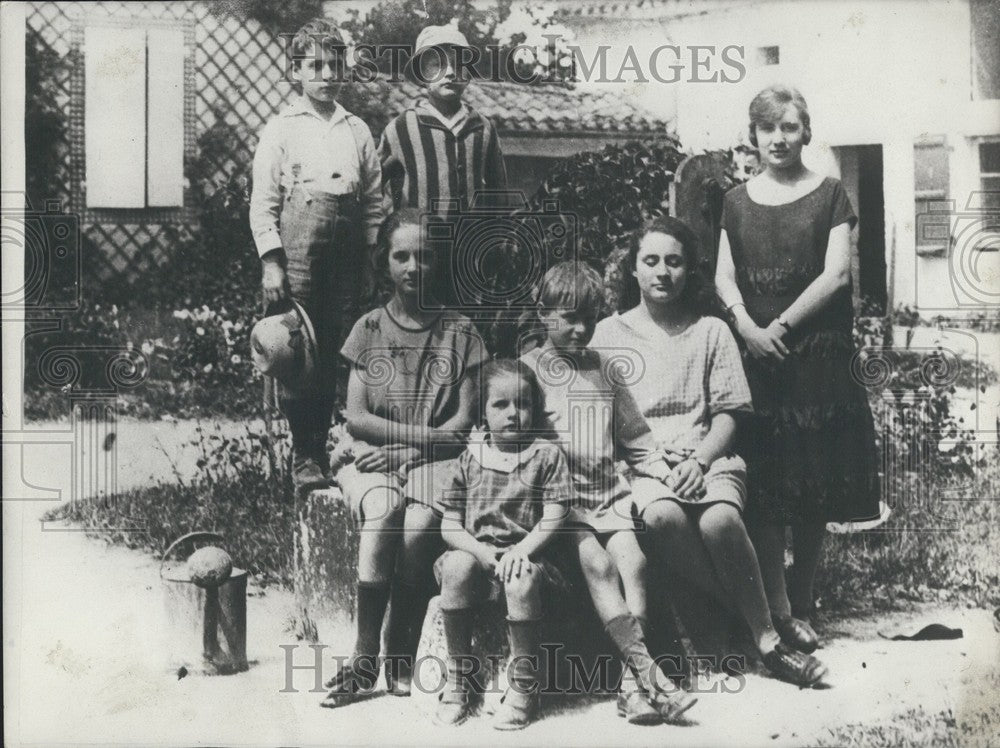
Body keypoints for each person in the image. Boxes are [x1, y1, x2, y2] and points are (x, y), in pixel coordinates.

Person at [590, 215, 828, 688]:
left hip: (709, 456)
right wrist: (651, 466)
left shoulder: (711, 331)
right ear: (633, 270)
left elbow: (730, 414)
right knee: (662, 518)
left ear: (689, 271)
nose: (663, 272)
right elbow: (603, 422)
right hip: (642, 465)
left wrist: (700, 461)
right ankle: (748, 611)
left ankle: (767, 642)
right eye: (651, 261)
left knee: (720, 520)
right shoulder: (607, 335)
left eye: (674, 263)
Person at [715, 85, 880, 650]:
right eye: (768, 129)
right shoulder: (735, 200)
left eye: (789, 128)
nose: (778, 139)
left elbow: (835, 276)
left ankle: (804, 600)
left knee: (812, 481)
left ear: (805, 132)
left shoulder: (831, 193)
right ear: (754, 137)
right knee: (765, 479)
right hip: (755, 356)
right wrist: (745, 328)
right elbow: (722, 275)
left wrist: (777, 330)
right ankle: (776, 607)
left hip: (815, 357)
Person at [320, 208, 487, 707]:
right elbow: (357, 417)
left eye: (427, 256)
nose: (416, 266)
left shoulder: (461, 331)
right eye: (403, 256)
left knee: (419, 528)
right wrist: (404, 444)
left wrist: (409, 447)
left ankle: (400, 645)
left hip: (435, 458)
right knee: (386, 510)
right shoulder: (369, 327)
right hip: (370, 454)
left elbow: (460, 427)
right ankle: (364, 656)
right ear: (384, 262)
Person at [520, 262, 698, 724]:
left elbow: (635, 438)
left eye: (589, 317)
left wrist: (664, 473)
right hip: (561, 503)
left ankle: (629, 687)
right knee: (598, 566)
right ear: (543, 314)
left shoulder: (605, 369)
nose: (580, 329)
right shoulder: (529, 372)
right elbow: (509, 437)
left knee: (634, 564)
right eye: (568, 317)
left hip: (607, 495)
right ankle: (651, 678)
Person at [249, 19, 383, 492]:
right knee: (298, 349)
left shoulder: (357, 128)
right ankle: (304, 457)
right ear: (297, 71)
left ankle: (333, 449)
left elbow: (373, 200)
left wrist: (370, 255)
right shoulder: (282, 127)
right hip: (300, 245)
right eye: (316, 66)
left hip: (347, 249)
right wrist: (272, 262)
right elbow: (263, 201)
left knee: (336, 348)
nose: (327, 74)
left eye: (335, 64)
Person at [433, 359, 571, 730]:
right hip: (478, 554)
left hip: (529, 553)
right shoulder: (470, 458)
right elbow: (449, 524)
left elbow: (555, 515)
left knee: (520, 578)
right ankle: (459, 678)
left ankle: (525, 685)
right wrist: (479, 551)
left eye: (523, 404)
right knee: (457, 565)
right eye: (501, 405)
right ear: (483, 411)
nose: (514, 414)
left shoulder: (545, 455)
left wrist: (521, 551)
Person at [379, 25, 509, 306]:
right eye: (437, 64)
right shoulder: (401, 129)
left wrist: (496, 241)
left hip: (470, 258)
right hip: (419, 258)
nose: (450, 72)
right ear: (421, 76)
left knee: (464, 328)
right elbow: (378, 194)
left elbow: (498, 193)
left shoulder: (483, 128)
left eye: (459, 64)